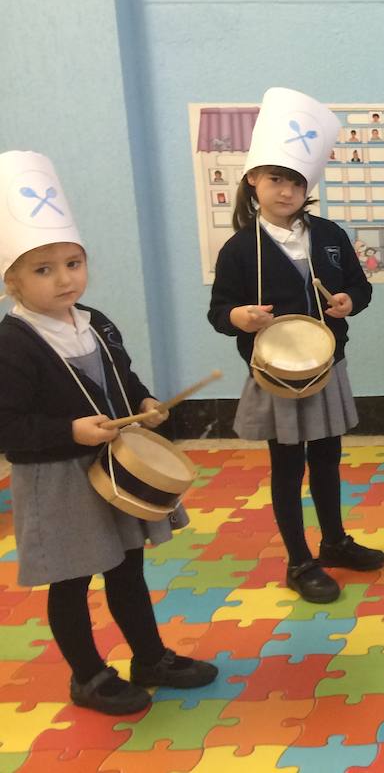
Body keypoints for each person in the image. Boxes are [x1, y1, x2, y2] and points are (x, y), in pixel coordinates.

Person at [0, 152, 216, 715]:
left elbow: (122, 373)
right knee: (71, 580)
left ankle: (150, 657)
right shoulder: (12, 343)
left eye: (73, 263)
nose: (64, 279)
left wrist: (143, 402)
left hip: (116, 465)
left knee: (127, 566)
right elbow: (9, 426)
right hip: (55, 479)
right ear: (11, 280)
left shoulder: (94, 321)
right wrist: (69, 430)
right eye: (43, 270)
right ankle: (89, 676)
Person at [207, 88, 384, 605]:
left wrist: (351, 301)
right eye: (276, 179)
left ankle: (334, 541)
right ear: (253, 180)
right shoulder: (240, 249)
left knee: (328, 458)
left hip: (327, 366)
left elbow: (360, 287)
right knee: (288, 467)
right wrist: (240, 317)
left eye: (296, 182)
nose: (286, 191)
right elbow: (219, 312)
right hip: (276, 375)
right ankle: (299, 560)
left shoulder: (328, 234)